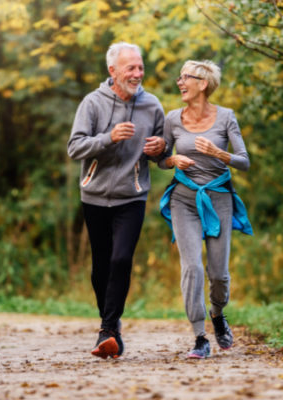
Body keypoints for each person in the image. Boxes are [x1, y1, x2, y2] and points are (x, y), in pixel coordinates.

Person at [67, 42, 166, 359]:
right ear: (113, 71)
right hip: (94, 195)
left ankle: (108, 330)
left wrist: (160, 149)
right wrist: (108, 138)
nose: (138, 74)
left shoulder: (152, 106)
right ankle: (110, 325)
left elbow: (162, 153)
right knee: (101, 268)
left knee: (121, 259)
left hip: (131, 196)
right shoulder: (92, 103)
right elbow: (75, 148)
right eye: (131, 68)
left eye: (140, 67)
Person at [159, 60, 253, 359]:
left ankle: (217, 314)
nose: (180, 82)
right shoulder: (173, 118)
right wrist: (172, 161)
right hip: (184, 199)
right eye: (180, 77)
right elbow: (161, 157)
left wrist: (218, 153)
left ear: (203, 83)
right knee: (192, 268)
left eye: (186, 77)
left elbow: (244, 160)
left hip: (219, 199)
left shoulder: (226, 117)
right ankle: (200, 336)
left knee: (219, 274)